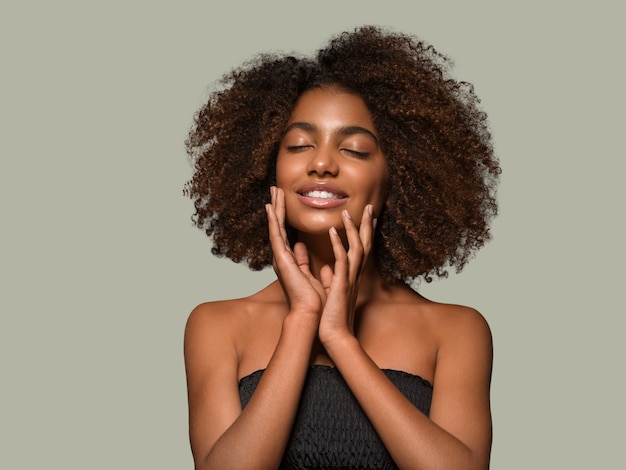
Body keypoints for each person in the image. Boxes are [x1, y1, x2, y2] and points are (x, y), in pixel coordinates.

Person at [183, 25, 500, 469]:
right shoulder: (216, 325)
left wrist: (340, 339)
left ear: (397, 181)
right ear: (268, 171)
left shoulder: (455, 331)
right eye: (299, 145)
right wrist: (302, 321)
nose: (320, 163)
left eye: (353, 149)